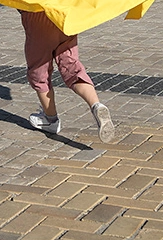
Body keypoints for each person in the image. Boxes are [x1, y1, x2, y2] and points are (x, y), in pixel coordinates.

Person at [22, 10, 116, 143]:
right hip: (64, 15)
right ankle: (96, 105)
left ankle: (50, 119)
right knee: (72, 68)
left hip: (37, 17)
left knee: (39, 72)